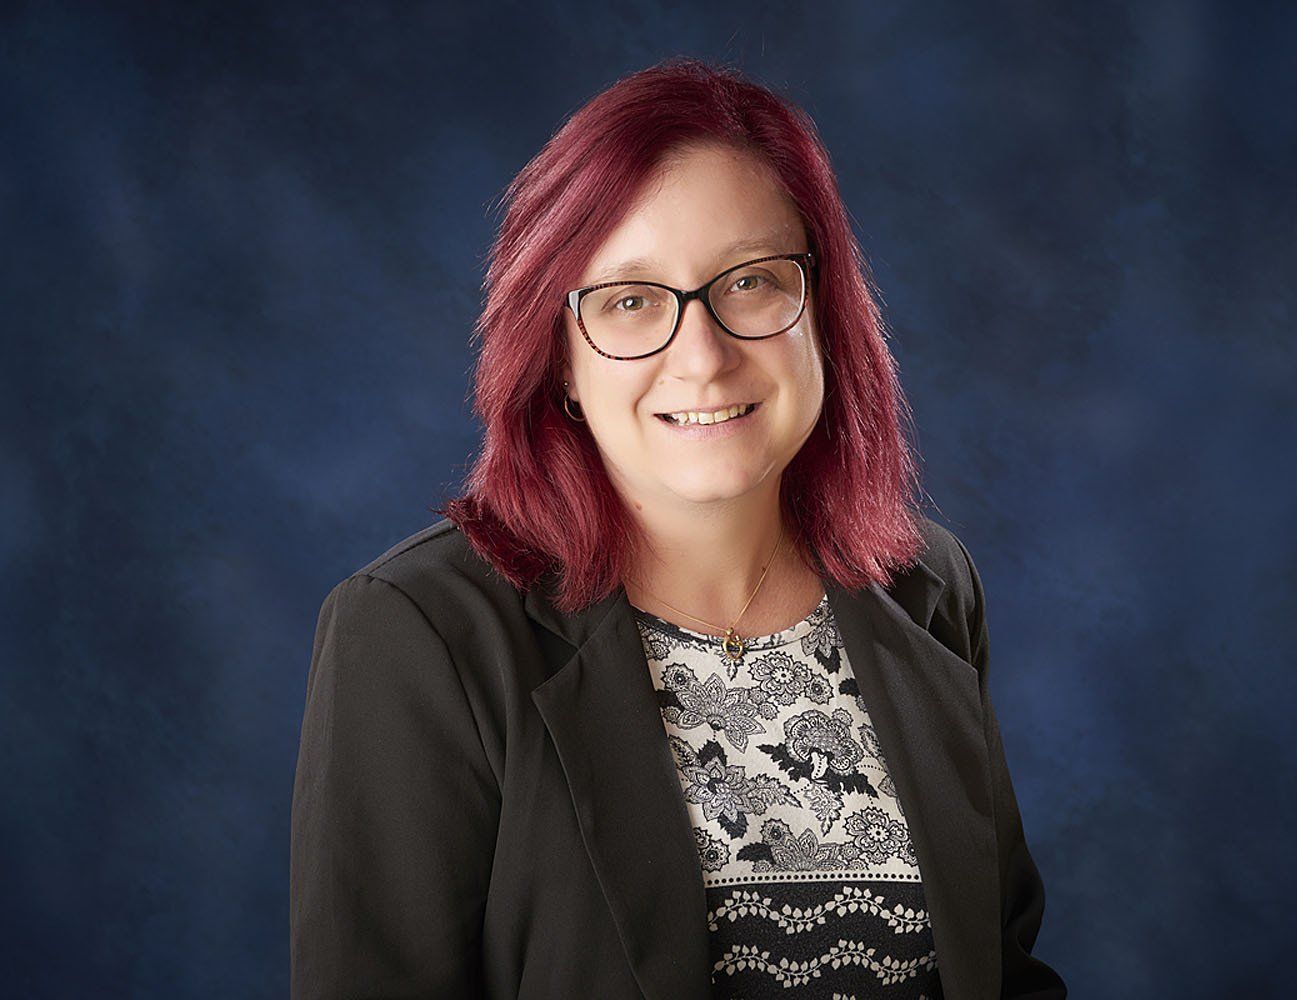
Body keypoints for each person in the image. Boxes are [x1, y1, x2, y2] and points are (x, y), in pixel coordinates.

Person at [290, 56, 1066, 999]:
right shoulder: (421, 633)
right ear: (560, 356)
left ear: (822, 311)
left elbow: (1005, 968)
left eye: (750, 282)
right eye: (630, 301)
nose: (701, 357)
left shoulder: (926, 590)